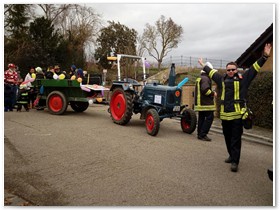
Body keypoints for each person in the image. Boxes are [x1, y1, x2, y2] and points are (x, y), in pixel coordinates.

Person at [198, 43, 272, 172]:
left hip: (237, 115)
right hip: (225, 116)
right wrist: (203, 64)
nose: (231, 71)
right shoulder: (221, 79)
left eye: (233, 69)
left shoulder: (244, 79)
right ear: (226, 71)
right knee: (227, 137)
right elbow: (211, 72)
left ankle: (235, 161)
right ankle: (231, 155)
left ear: (236, 70)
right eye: (229, 70)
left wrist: (264, 57)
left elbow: (254, 68)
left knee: (235, 139)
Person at [194, 68, 217, 141]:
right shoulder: (206, 79)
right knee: (210, 117)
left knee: (201, 118)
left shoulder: (200, 78)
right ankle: (203, 134)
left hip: (200, 103)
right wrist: (213, 93)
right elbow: (205, 90)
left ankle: (199, 134)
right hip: (206, 103)